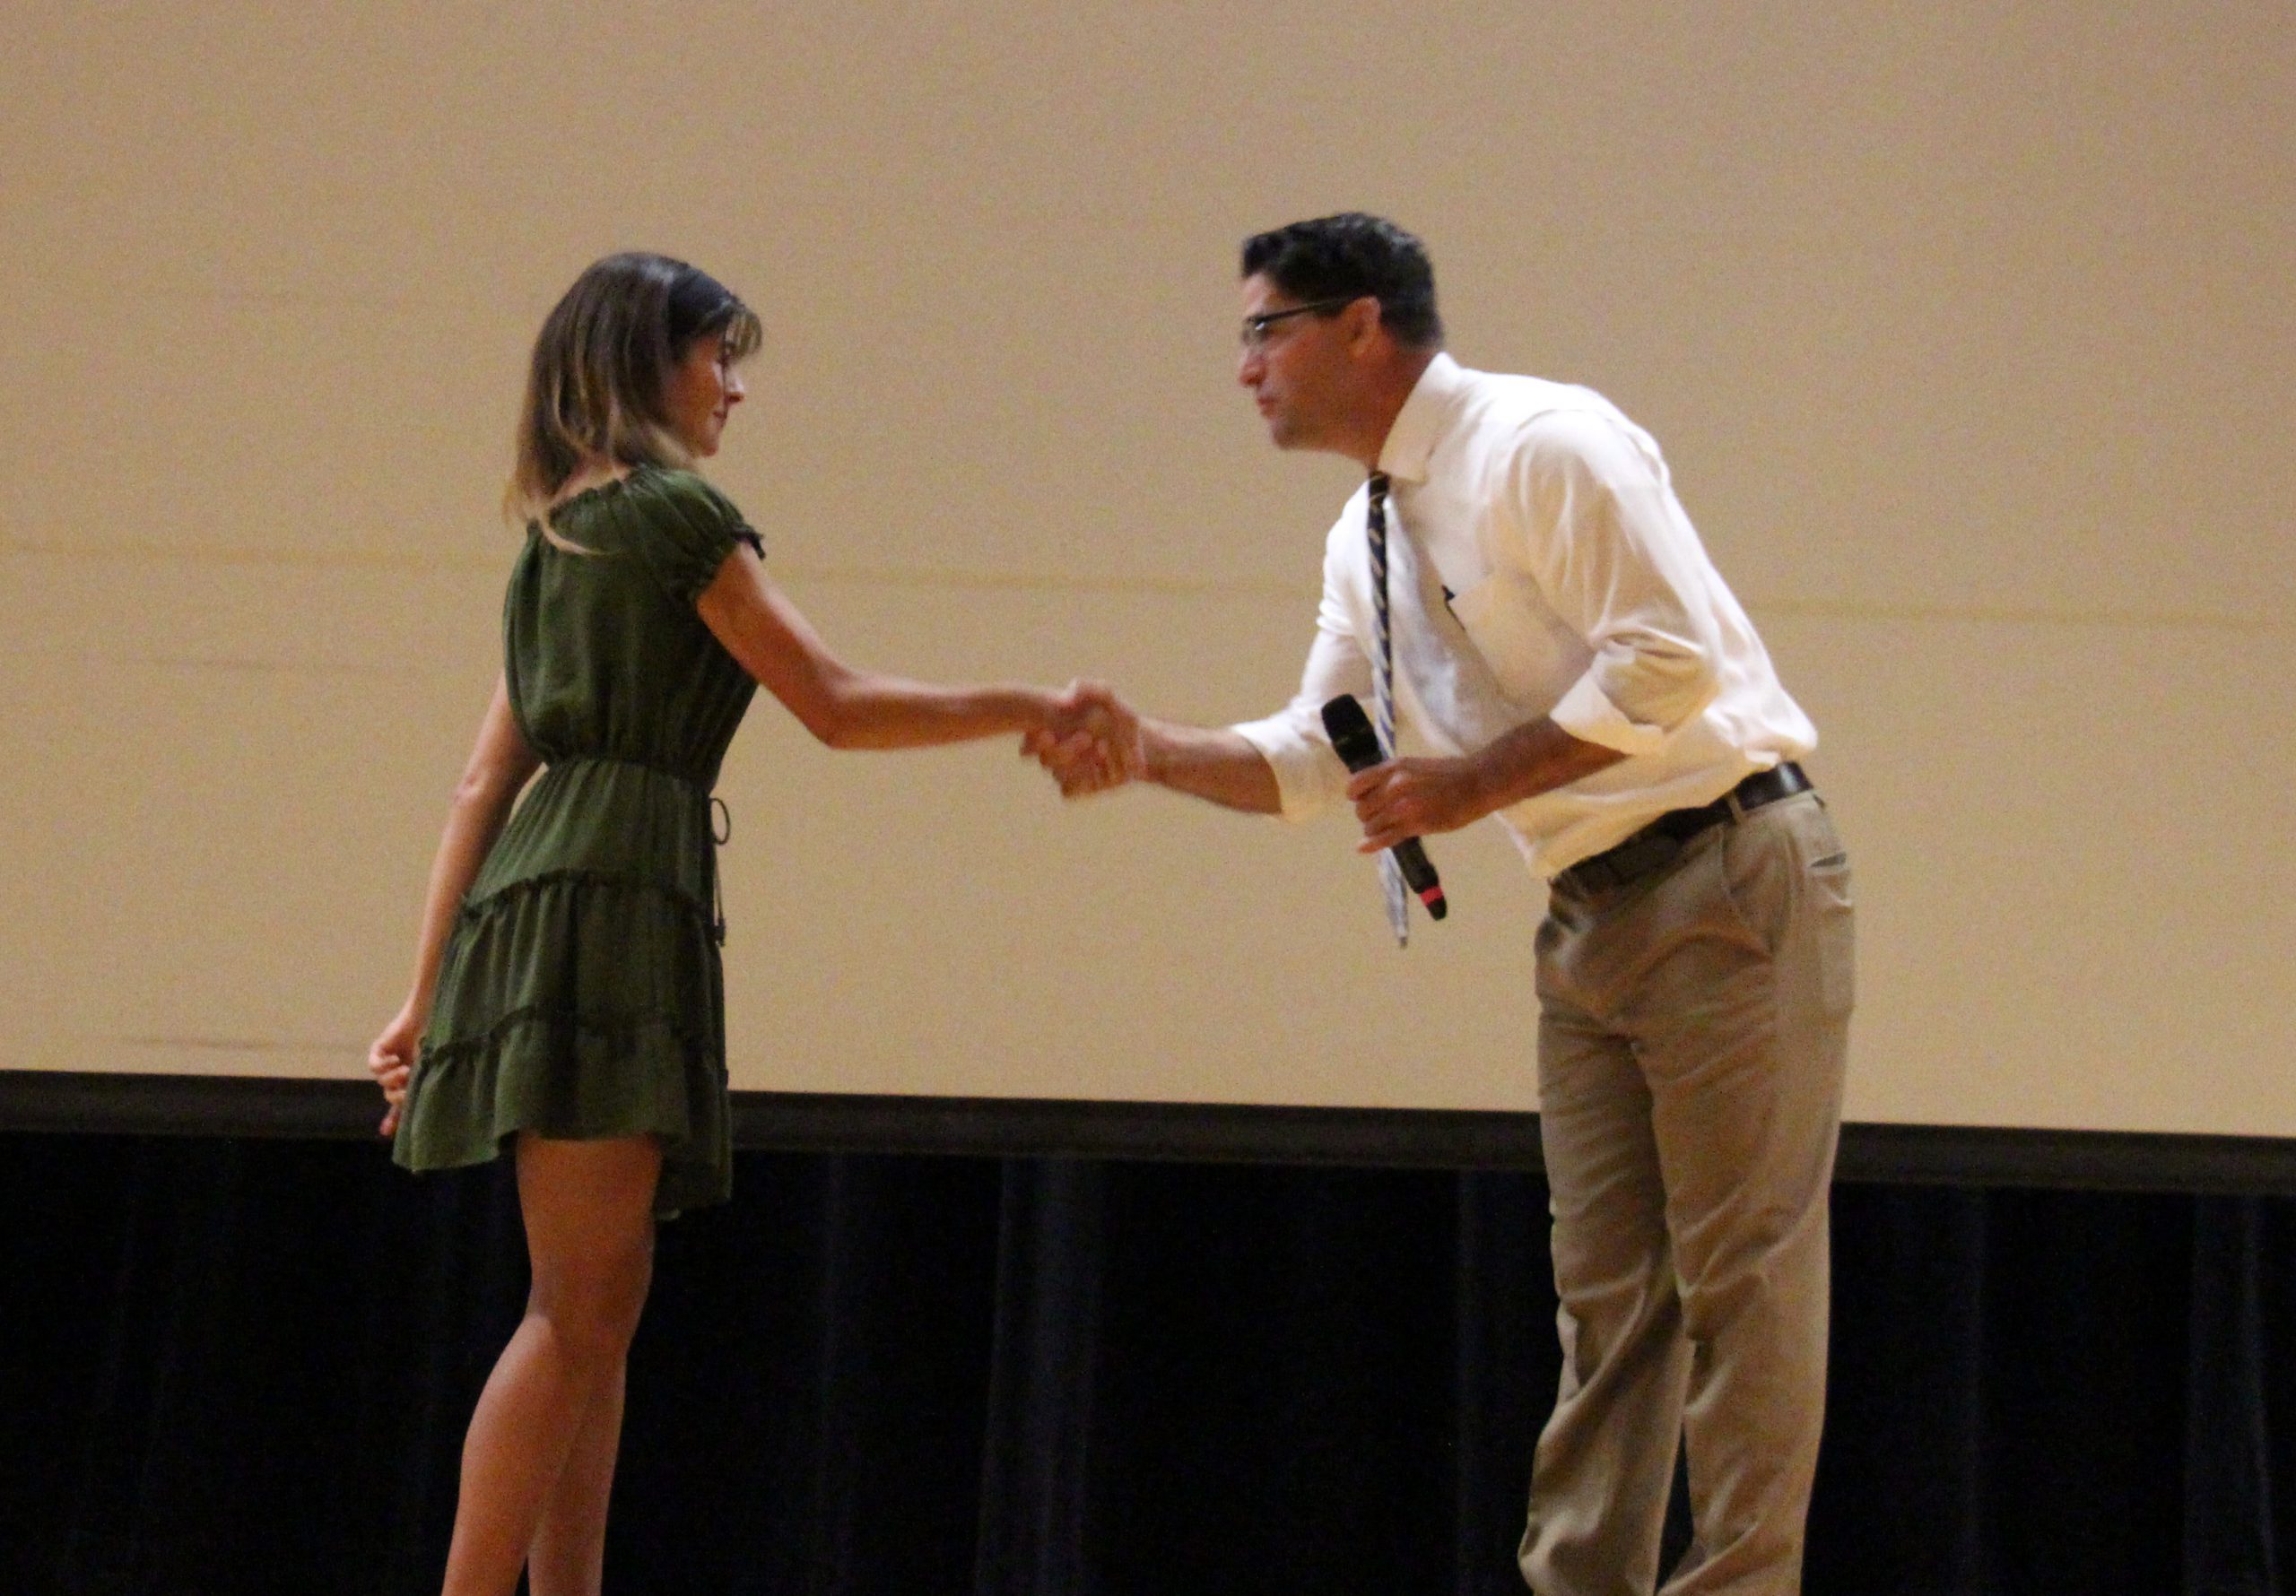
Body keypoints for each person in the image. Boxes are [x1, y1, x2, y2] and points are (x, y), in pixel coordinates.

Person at [1030, 214, 1855, 1596]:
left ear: (1363, 326)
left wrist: (1471, 785)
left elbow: (1670, 668)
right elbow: (1320, 750)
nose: (1245, 370)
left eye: (1264, 331)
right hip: (1589, 914)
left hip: (1726, 867)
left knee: (1744, 1287)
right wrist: (1152, 753)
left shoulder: (1540, 443)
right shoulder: (1365, 530)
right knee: (1609, 1304)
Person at [366, 251, 1123, 1596]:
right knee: (576, 1310)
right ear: (647, 364)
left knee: (596, 1312)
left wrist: (428, 996)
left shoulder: (558, 538)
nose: (735, 389)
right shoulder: (669, 517)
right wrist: (1021, 703)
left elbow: (488, 778)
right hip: (610, 899)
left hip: (553, 900)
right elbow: (833, 702)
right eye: (721, 356)